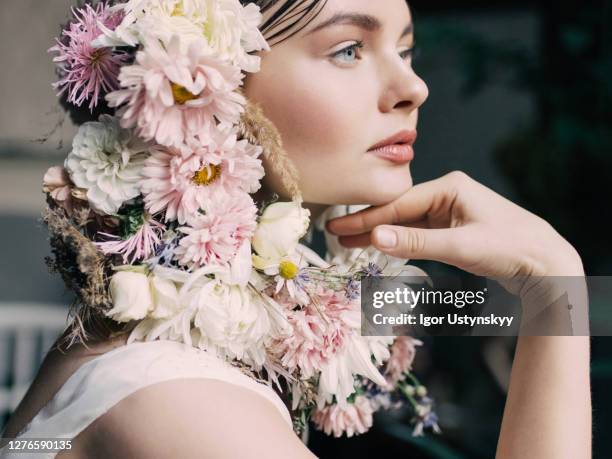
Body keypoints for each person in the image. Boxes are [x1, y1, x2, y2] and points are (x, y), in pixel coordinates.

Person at [0, 0, 591, 458]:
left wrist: (553, 294)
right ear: (205, 87)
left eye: (406, 50)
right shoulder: (177, 401)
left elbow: (453, 311)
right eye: (349, 49)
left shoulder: (258, 298)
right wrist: (555, 285)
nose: (414, 88)